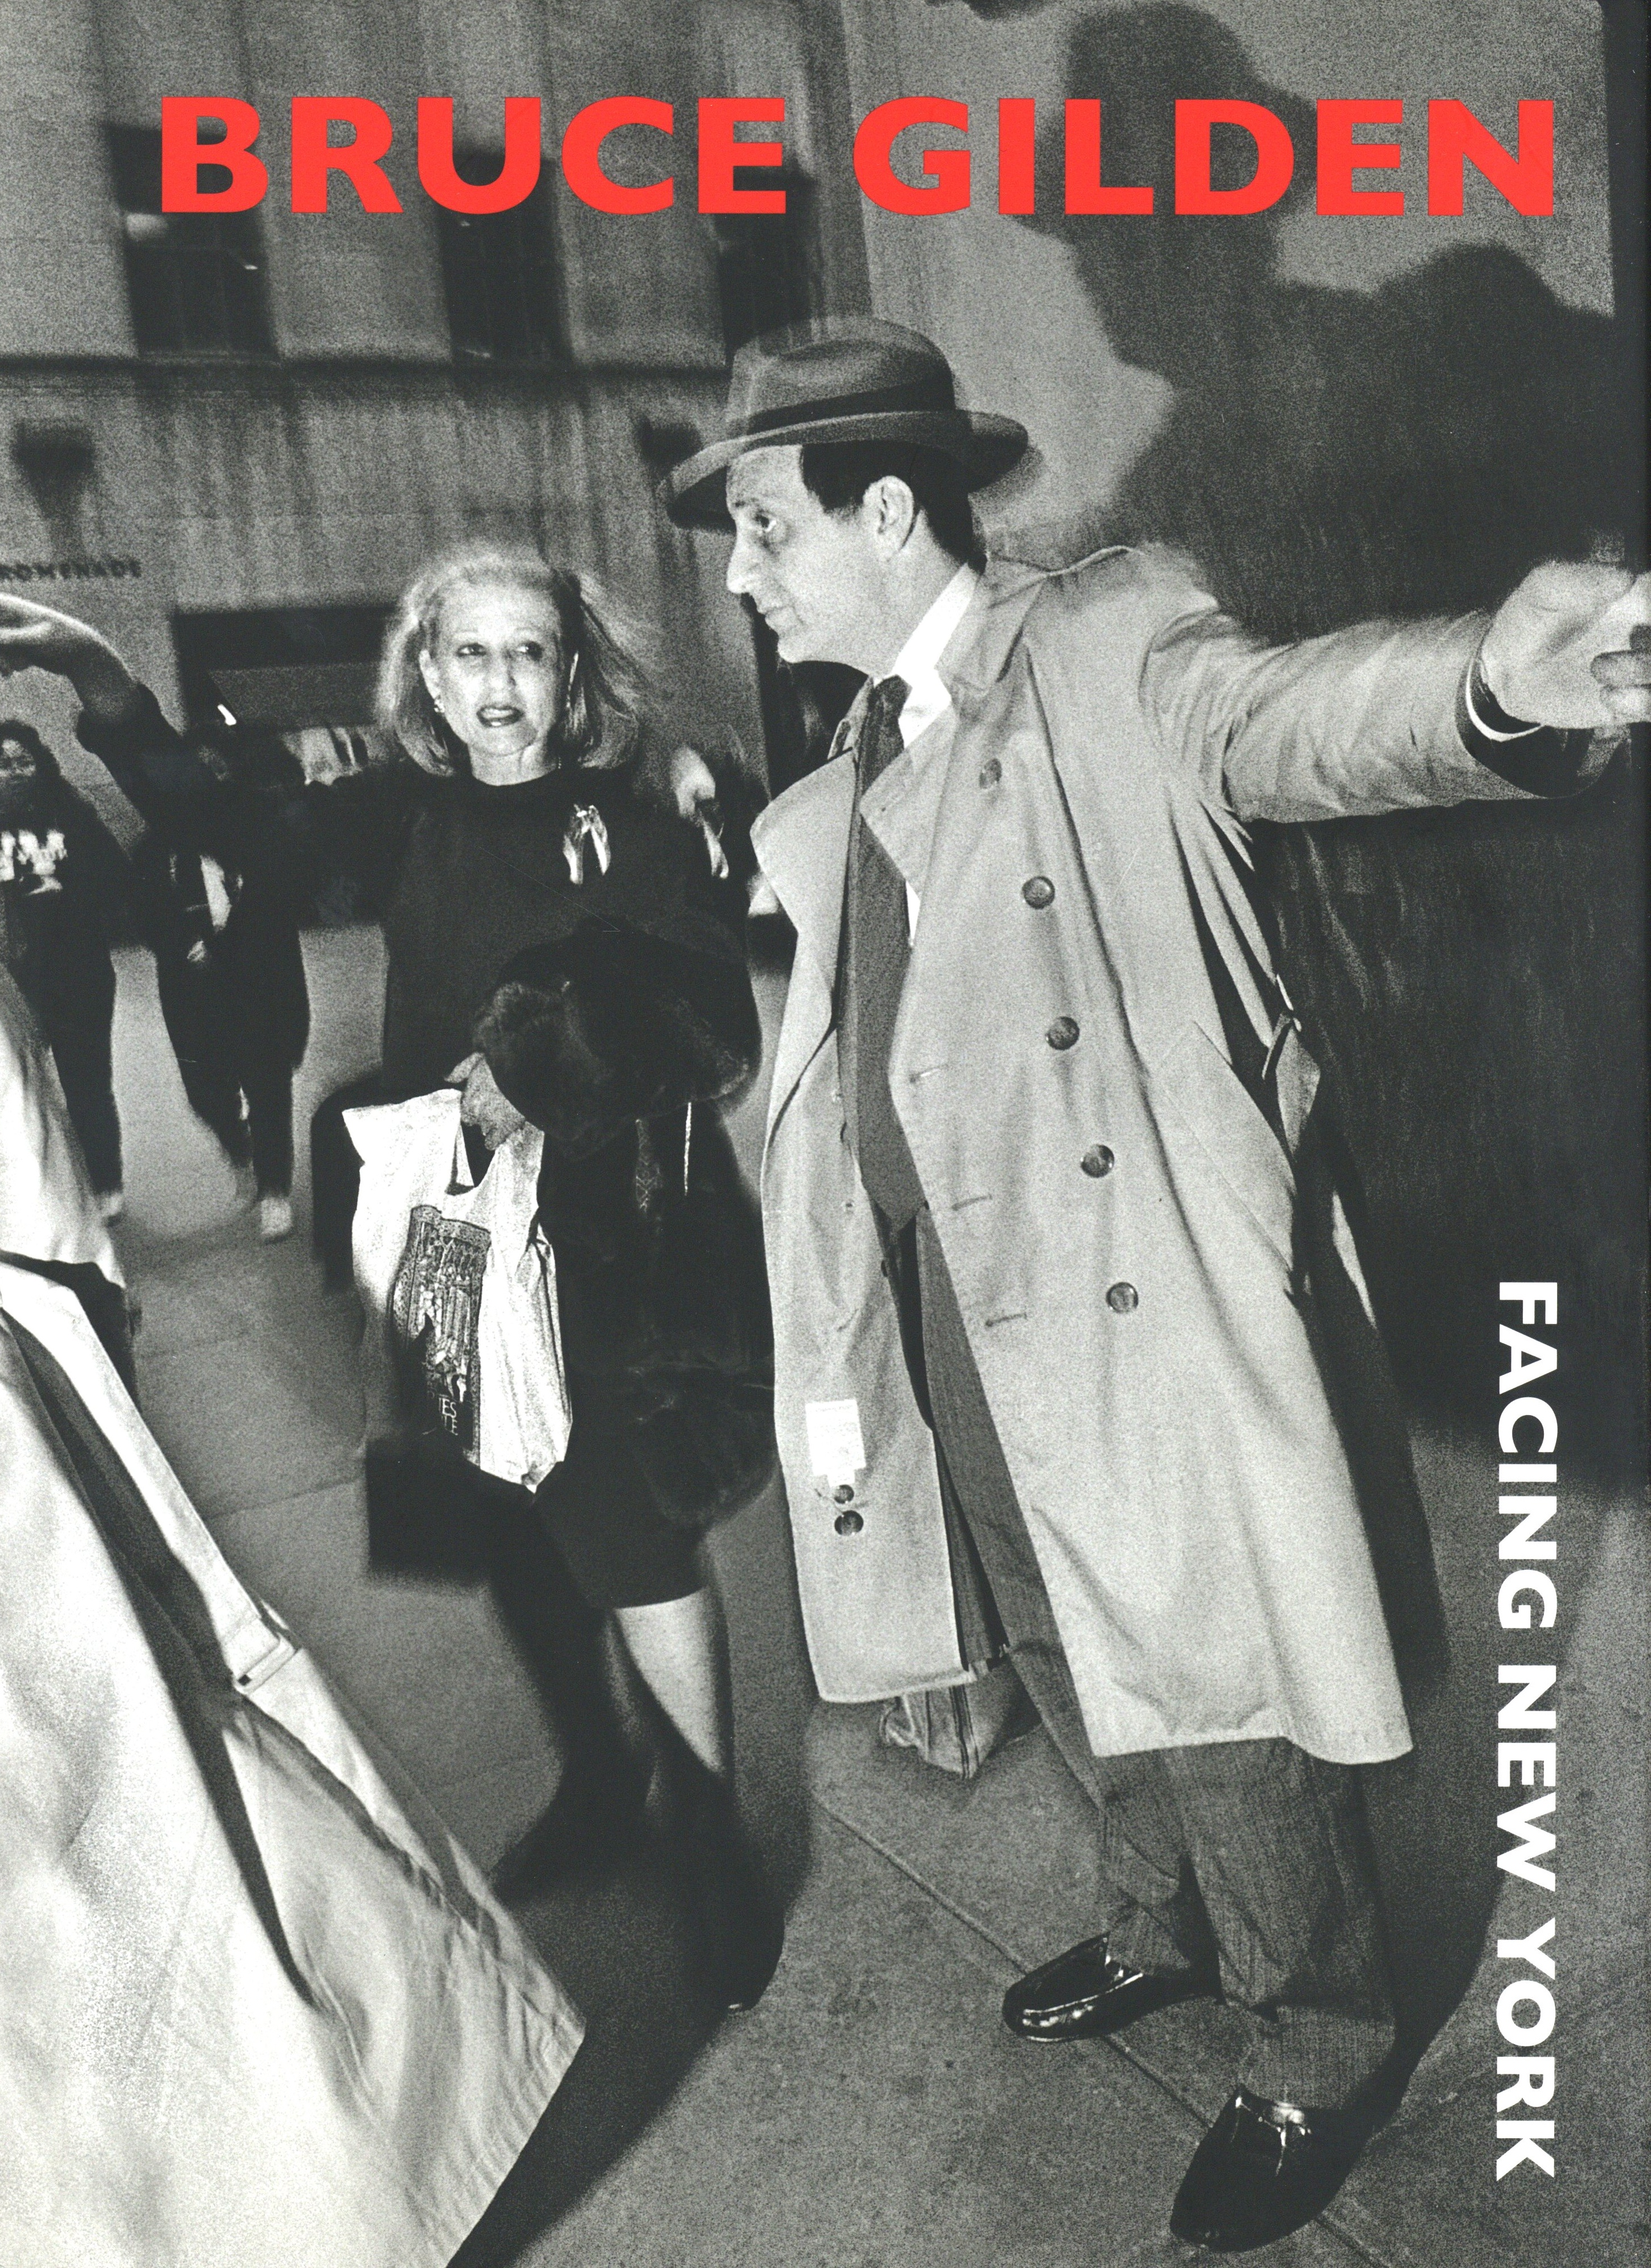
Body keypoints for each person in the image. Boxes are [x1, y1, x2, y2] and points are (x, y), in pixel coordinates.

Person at [661, 319, 1649, 2250]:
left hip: (1127, 1294)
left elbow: (1287, 717)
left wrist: (1489, 686)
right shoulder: (858, 755)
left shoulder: (1103, 649)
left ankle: (1314, 2040)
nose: (740, 574)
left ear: (886, 509)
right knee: (1053, 1632)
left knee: (1213, 1684)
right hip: (949, 1290)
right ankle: (1155, 1919)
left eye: (765, 525)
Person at [0, 550, 783, 2011]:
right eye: (471, 653)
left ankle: (709, 1836)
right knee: (503, 1528)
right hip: (451, 1232)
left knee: (630, 1540)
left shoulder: (627, 812)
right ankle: (601, 1780)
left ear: (573, 670)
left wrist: (531, 1068)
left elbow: (705, 1005)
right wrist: (98, 676)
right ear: (425, 669)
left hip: (612, 1237)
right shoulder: (399, 807)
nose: (501, 684)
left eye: (530, 653)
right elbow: (211, 817)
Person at [0, 717, 131, 1219]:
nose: (14, 771)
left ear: (41, 764)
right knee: (22, 1091)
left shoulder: (70, 811)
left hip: (79, 971)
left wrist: (68, 893)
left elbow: (117, 877)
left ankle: (105, 1182)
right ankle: (44, 1194)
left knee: (87, 1084)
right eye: (3, 764)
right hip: (14, 981)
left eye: (23, 761)